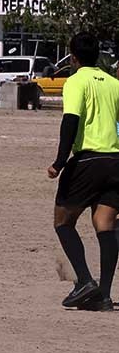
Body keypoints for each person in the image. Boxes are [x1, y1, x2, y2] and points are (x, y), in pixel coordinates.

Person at [48, 31, 119, 312]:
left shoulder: (76, 81)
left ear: (73, 57)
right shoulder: (115, 84)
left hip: (89, 160)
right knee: (105, 223)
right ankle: (103, 294)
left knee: (63, 221)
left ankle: (85, 281)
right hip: (116, 161)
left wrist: (60, 161)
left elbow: (71, 121)